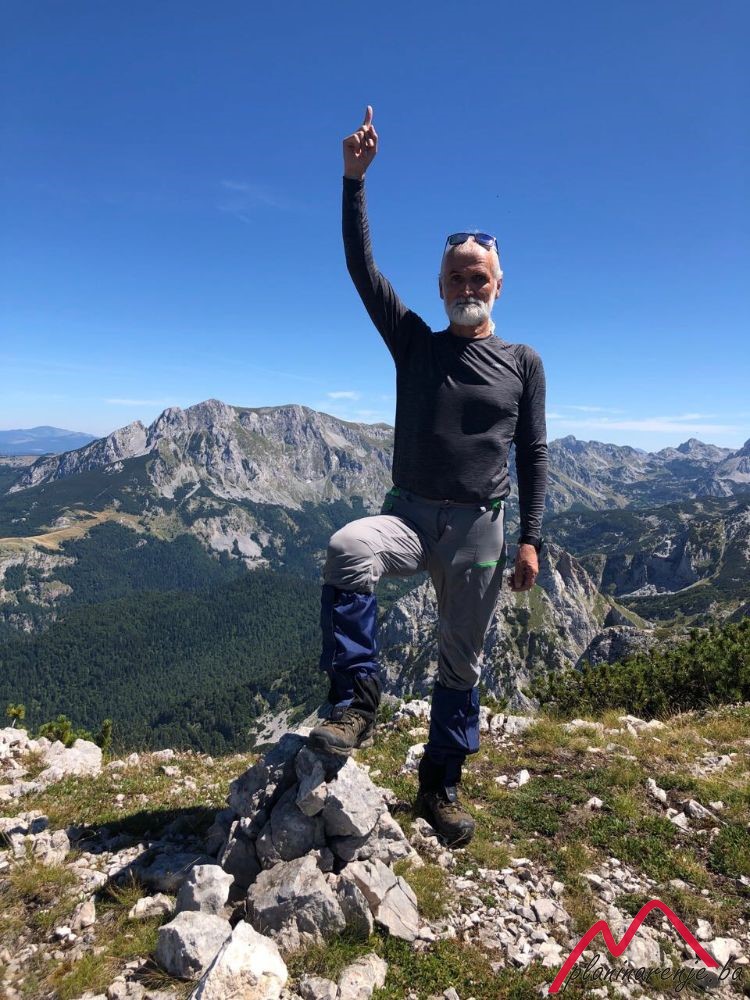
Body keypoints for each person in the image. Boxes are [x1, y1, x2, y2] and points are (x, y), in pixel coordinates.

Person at [309, 106, 548, 847]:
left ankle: (439, 786)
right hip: (409, 516)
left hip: (481, 529)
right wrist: (354, 181)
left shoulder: (523, 363)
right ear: (440, 286)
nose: (466, 284)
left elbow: (534, 452)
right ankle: (357, 699)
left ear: (498, 286)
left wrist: (531, 539)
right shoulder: (414, 341)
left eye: (479, 276)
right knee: (348, 548)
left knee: (460, 661)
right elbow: (362, 269)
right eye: (455, 276)